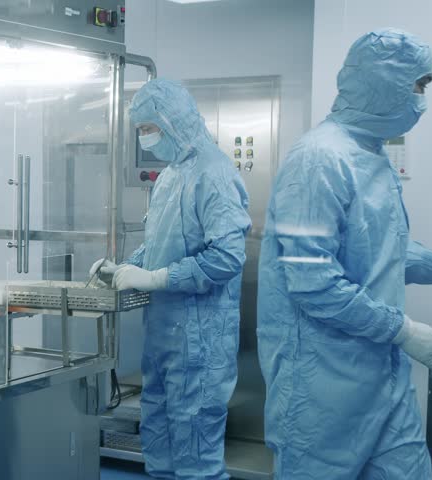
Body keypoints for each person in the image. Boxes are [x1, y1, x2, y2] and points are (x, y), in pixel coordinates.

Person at [257, 28, 432, 478]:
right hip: (321, 388)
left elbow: (378, 248)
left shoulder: (369, 156)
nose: (422, 98)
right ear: (382, 82)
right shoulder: (319, 159)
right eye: (419, 84)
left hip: (381, 378)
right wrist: (403, 330)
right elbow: (312, 280)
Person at [91, 78, 250, 479]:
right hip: (162, 337)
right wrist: (124, 268)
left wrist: (158, 279)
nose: (145, 138)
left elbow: (227, 257)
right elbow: (159, 244)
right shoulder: (169, 178)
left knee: (196, 454)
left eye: (149, 128)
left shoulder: (213, 174)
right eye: (141, 130)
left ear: (173, 121)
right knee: (158, 442)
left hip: (200, 340)